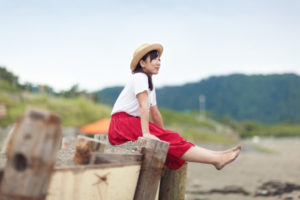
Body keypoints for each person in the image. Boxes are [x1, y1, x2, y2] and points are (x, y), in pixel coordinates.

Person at [108, 43, 241, 170]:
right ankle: (216, 159)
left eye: (159, 60)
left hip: (128, 124)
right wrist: (147, 133)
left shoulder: (149, 83)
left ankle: (218, 156)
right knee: (172, 140)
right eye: (154, 59)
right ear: (142, 63)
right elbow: (143, 105)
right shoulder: (140, 77)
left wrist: (164, 135)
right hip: (122, 125)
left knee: (172, 139)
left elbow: (155, 113)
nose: (158, 63)